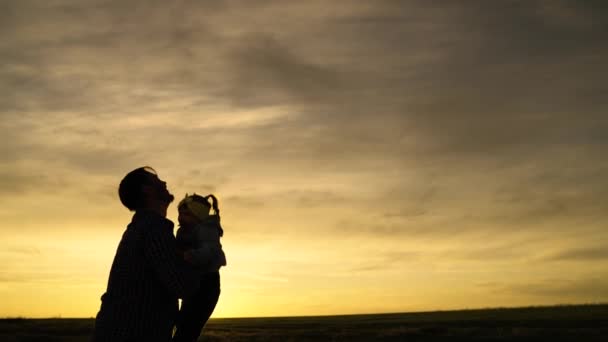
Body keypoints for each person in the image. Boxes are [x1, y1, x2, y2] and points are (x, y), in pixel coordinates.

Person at [92, 167, 199, 342]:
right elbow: (182, 285)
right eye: (156, 179)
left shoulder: (144, 227)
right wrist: (204, 255)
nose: (164, 182)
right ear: (146, 189)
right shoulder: (152, 228)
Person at [172, 193, 227, 342]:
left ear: (198, 215)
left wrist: (185, 255)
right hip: (193, 282)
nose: (180, 218)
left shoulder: (207, 229)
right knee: (184, 325)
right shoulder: (183, 231)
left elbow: (209, 252)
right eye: (179, 214)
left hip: (206, 283)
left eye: (186, 214)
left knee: (189, 329)